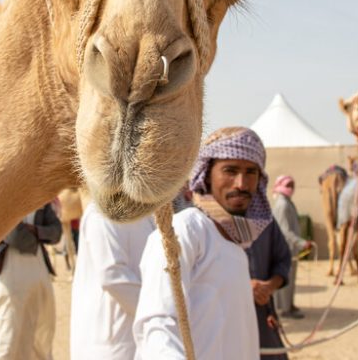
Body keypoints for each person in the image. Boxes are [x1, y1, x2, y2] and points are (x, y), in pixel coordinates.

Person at [134, 126, 272, 359]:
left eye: (251, 172)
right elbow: (157, 324)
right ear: (207, 174)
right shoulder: (187, 229)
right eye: (230, 170)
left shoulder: (237, 245)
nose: (241, 183)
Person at [70, 200, 155, 359]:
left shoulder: (145, 213)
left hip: (135, 335)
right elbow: (112, 275)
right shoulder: (102, 212)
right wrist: (158, 309)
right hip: (110, 342)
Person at [0, 202, 62, 360]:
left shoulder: (41, 197)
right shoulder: (3, 194)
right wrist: (40, 235)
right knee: (8, 332)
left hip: (39, 271)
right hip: (10, 271)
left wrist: (34, 230)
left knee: (40, 332)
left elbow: (56, 232)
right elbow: (13, 235)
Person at [247, 219, 293, 359]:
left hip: (263, 314)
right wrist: (243, 286)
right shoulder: (206, 223)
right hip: (225, 319)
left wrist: (269, 286)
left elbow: (283, 260)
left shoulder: (265, 219)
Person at [270, 175, 313, 320]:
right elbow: (285, 231)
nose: (290, 188)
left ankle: (289, 305)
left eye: (292, 185)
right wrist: (302, 243)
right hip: (285, 249)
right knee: (284, 280)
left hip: (291, 249)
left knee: (291, 279)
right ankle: (284, 309)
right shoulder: (282, 204)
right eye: (287, 185)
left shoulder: (287, 202)